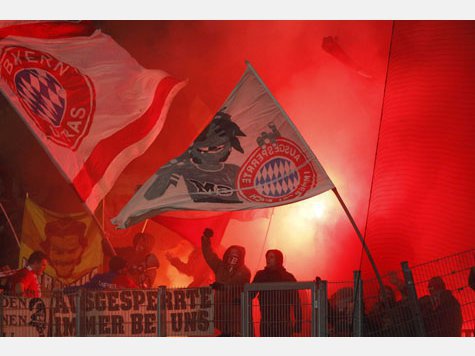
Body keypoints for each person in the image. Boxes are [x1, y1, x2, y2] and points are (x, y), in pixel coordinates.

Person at [201, 227, 251, 336]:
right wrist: (206, 240)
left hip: (234, 314)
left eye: (236, 256)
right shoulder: (220, 267)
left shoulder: (244, 272)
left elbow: (234, 284)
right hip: (219, 312)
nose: (232, 258)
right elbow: (209, 256)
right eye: (230, 255)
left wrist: (220, 286)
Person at [251, 249, 302, 337]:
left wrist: (299, 321)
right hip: (266, 323)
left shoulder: (288, 277)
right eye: (267, 257)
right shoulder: (261, 275)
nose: (268, 259)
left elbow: (296, 301)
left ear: (279, 259)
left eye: (271, 257)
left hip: (283, 323)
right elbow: (250, 294)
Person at [66, 256, 138, 291]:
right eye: (125, 267)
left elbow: (84, 288)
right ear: (120, 270)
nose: (127, 269)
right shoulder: (125, 280)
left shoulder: (98, 278)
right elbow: (137, 291)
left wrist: (67, 290)